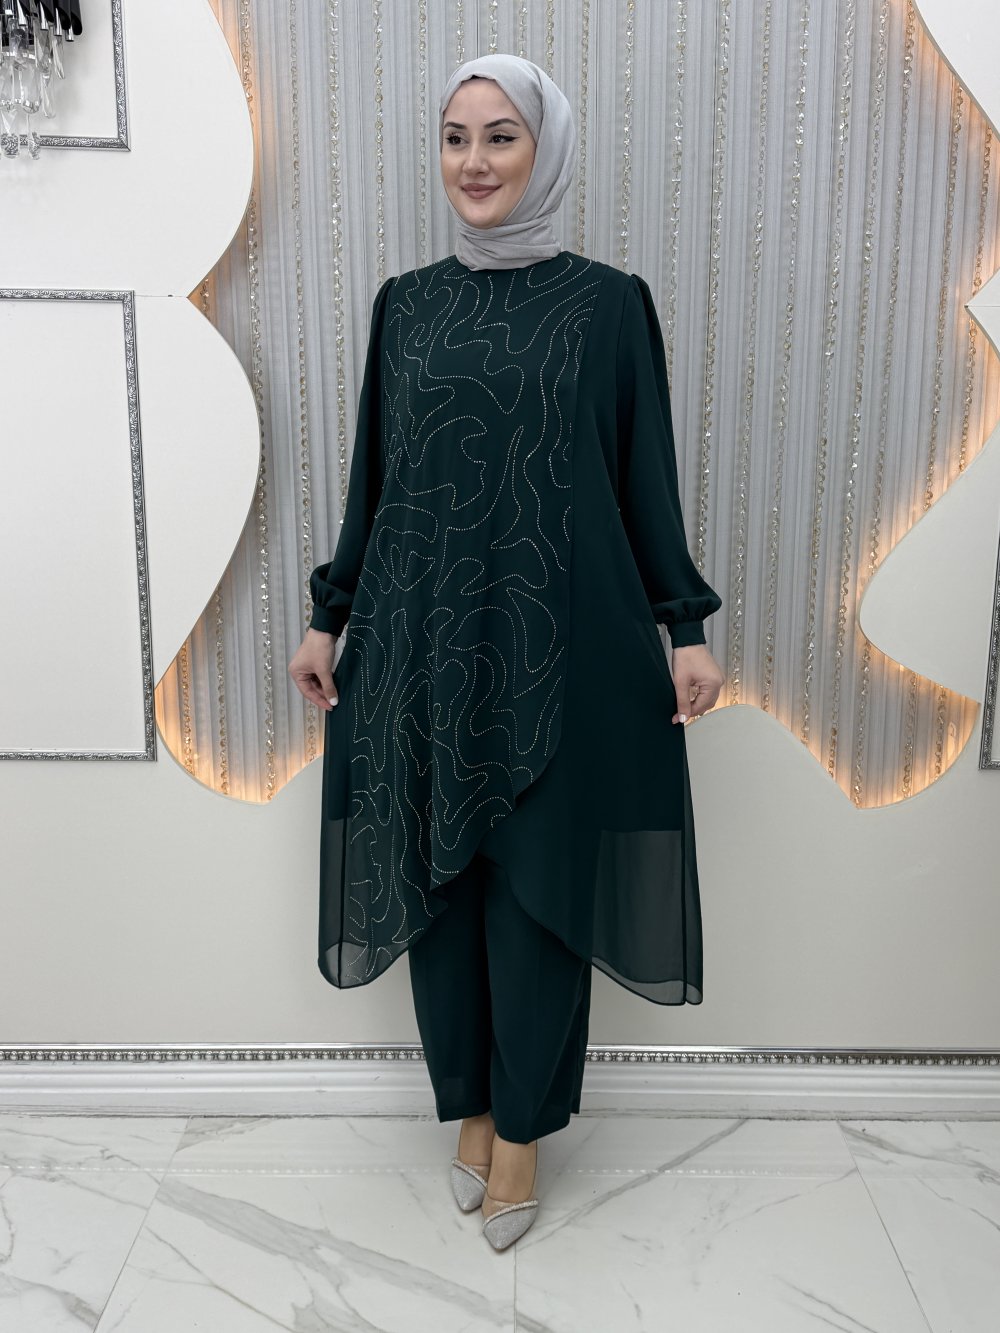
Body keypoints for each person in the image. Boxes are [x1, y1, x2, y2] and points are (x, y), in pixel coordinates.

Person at [288, 53, 725, 1250]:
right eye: (454, 137)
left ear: (546, 150)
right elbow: (377, 478)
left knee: (535, 891)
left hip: (557, 645)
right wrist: (331, 614)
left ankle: (524, 1128)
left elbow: (641, 477)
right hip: (418, 639)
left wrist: (683, 627)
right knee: (438, 890)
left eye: (499, 137)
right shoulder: (406, 304)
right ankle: (471, 1109)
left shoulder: (607, 304)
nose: (472, 162)